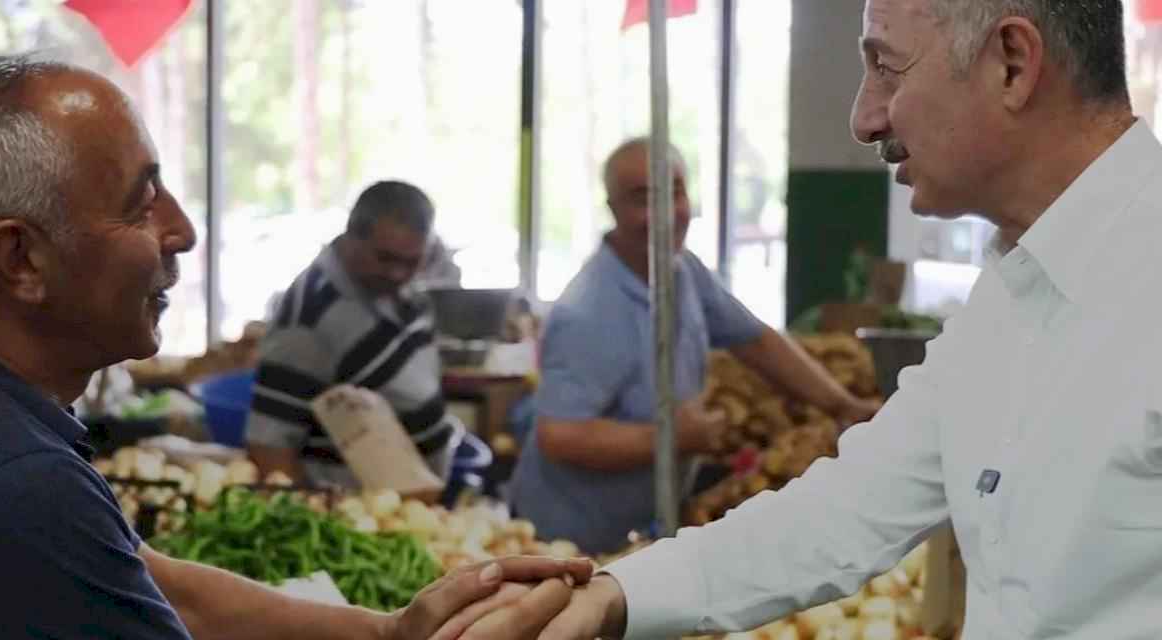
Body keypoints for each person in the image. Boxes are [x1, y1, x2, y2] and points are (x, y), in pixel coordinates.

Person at [470, 0, 1162, 637]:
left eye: (885, 68)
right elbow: (847, 509)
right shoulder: (1010, 298)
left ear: (1011, 63)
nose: (865, 117)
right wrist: (612, 594)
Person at [0, 54, 594, 639]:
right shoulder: (10, 486)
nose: (183, 229)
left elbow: (161, 588)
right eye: (142, 202)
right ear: (22, 260)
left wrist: (387, 633)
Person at [509, 137, 880, 554]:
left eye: (675, 193)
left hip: (638, 526)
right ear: (612, 209)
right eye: (641, 198)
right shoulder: (588, 311)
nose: (663, 214)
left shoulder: (682, 271)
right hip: (566, 538)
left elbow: (755, 341)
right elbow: (561, 435)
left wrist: (843, 405)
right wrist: (671, 438)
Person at [246, 181, 458, 489]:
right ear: (351, 235)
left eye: (411, 262)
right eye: (385, 259)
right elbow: (269, 449)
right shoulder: (310, 319)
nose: (398, 274)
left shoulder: (398, 286)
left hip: (418, 503)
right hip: (360, 515)